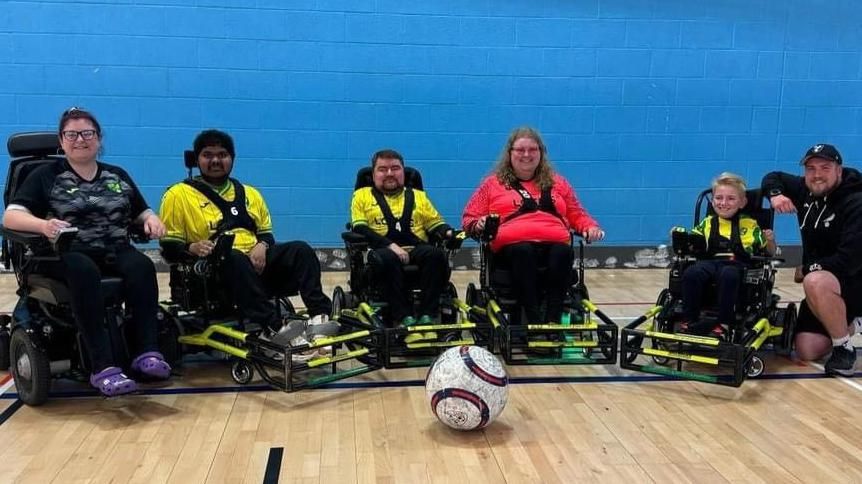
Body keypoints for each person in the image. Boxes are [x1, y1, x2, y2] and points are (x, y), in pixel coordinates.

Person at [3, 107, 171, 396]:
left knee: (142, 266)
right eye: (72, 134)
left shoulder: (116, 175)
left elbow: (141, 210)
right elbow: (11, 217)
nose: (80, 139)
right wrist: (43, 225)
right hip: (64, 252)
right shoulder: (45, 175)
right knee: (83, 270)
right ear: (62, 140)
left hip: (114, 248)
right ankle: (102, 367)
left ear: (98, 138)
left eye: (87, 133)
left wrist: (151, 220)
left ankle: (147, 354)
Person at [159, 130, 334, 359]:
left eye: (222, 154)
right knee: (233, 256)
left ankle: (319, 319)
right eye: (207, 155)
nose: (215, 160)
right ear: (196, 159)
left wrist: (262, 245)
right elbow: (169, 245)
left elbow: (266, 234)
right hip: (213, 273)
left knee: (300, 249)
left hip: (255, 264)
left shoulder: (250, 193)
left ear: (232, 158)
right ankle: (273, 327)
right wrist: (190, 247)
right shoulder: (178, 195)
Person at [462, 126, 604, 324]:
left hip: (553, 246)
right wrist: (479, 224)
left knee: (562, 252)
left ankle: (553, 320)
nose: (526, 154)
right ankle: (534, 320)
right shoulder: (492, 184)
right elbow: (469, 218)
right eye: (520, 150)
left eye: (532, 149)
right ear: (510, 153)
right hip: (512, 250)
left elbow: (577, 214)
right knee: (523, 251)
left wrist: (590, 228)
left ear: (541, 153)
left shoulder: (559, 183)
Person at [762, 143, 862, 376]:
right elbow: (772, 177)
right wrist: (775, 195)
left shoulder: (856, 202)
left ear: (839, 169)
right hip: (826, 284)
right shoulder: (806, 189)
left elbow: (849, 261)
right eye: (811, 168)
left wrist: (806, 269)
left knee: (814, 281)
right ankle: (854, 323)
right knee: (806, 349)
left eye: (825, 167)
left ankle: (843, 348)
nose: (817, 175)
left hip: (853, 280)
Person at [349, 149, 457, 328]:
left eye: (395, 168)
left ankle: (427, 315)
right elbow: (360, 227)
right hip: (382, 250)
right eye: (383, 169)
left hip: (416, 248)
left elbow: (434, 223)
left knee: (436, 255)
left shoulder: (419, 196)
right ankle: (403, 316)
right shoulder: (361, 196)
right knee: (387, 259)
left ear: (403, 172)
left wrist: (449, 233)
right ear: (373, 173)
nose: (390, 173)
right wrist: (391, 246)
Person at [677, 173, 776, 336]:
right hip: (710, 262)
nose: (723, 203)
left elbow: (769, 252)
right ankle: (690, 319)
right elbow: (694, 244)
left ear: (742, 202)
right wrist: (681, 239)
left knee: (728, 273)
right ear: (713, 200)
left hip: (738, 263)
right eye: (719, 198)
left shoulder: (750, 225)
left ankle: (724, 323)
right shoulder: (707, 222)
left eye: (731, 198)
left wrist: (770, 240)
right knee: (691, 272)